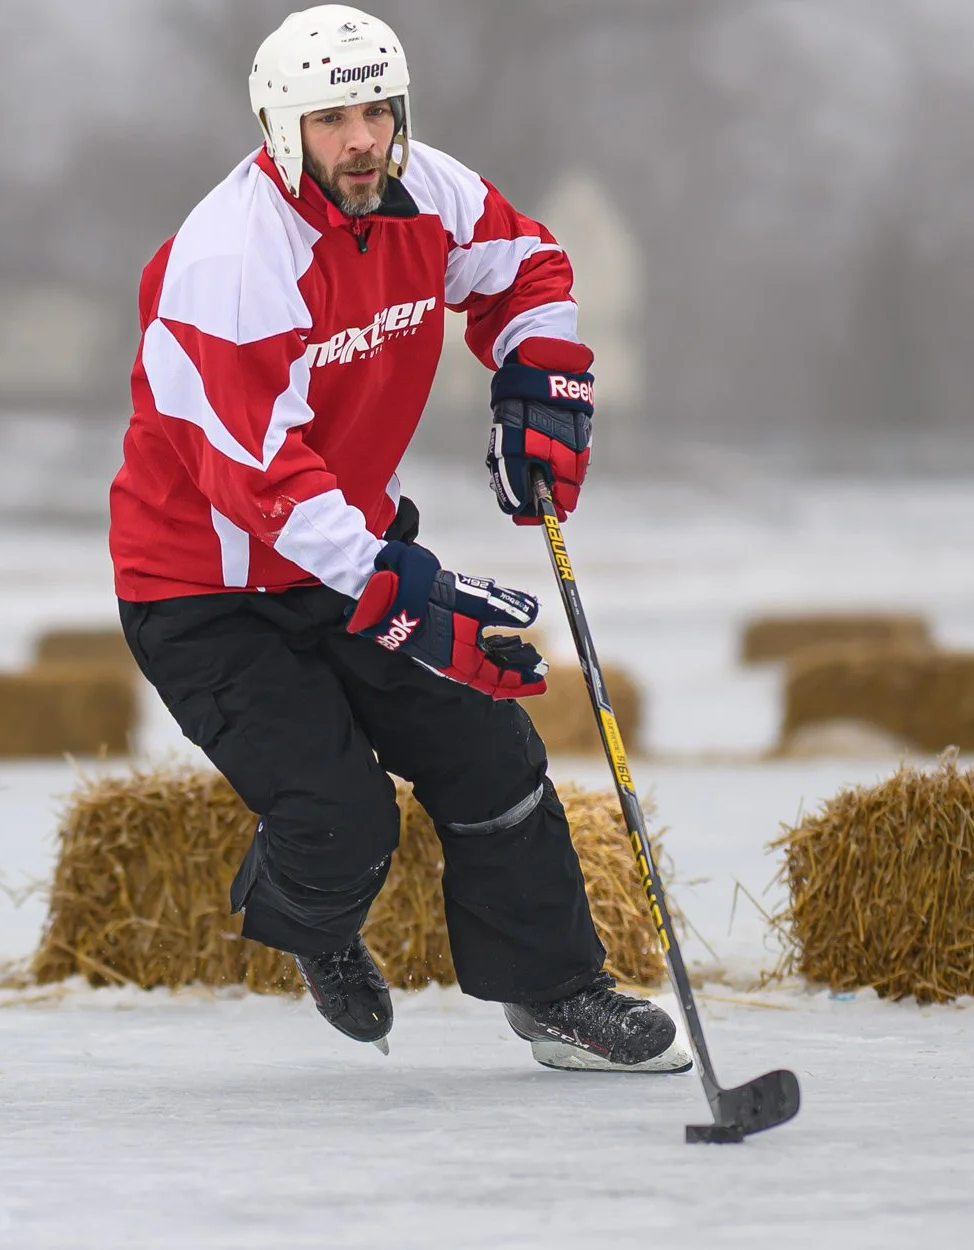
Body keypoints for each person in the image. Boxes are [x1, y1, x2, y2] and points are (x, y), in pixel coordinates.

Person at [108, 4, 688, 1074]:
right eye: (333, 118)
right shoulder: (229, 263)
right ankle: (314, 925)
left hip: (344, 541)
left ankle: (557, 994)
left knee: (489, 749)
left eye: (378, 109)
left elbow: (528, 267)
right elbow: (260, 484)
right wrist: (406, 597)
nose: (363, 138)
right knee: (341, 820)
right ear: (281, 126)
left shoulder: (430, 193)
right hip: (205, 588)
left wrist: (539, 389)